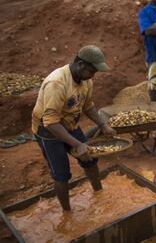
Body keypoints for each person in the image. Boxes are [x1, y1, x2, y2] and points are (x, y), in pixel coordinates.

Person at [32, 45, 116, 211]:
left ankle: (99, 194)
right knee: (61, 174)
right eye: (92, 70)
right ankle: (67, 212)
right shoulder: (57, 83)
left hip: (70, 125)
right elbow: (51, 122)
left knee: (90, 159)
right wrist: (77, 144)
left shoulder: (86, 80)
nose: (94, 75)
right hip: (49, 131)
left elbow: (88, 106)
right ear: (80, 64)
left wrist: (103, 124)